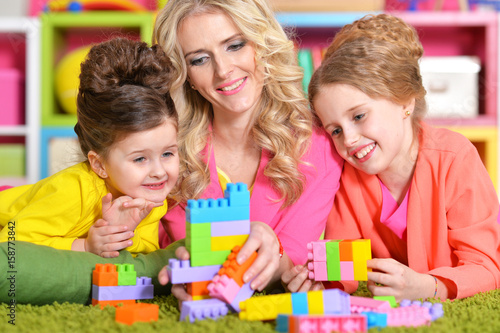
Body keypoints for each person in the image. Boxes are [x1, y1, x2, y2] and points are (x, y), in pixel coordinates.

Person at [299, 13, 500, 301]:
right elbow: (343, 259)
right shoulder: (347, 173)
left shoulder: (455, 158)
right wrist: (323, 282)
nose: (349, 139)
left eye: (359, 116)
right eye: (335, 130)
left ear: (405, 101)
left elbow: (486, 267)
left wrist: (430, 286)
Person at [153, 0, 343, 298]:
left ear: (263, 44)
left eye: (235, 45)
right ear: (184, 75)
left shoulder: (316, 146)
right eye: (199, 60)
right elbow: (172, 251)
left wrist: (270, 251)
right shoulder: (168, 153)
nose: (223, 71)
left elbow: (292, 258)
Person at [0, 37, 179, 258]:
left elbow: (147, 250)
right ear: (99, 164)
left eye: (168, 153)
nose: (160, 171)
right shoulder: (74, 192)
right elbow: (9, 243)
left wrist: (124, 232)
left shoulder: (152, 196)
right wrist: (84, 246)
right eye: (140, 159)